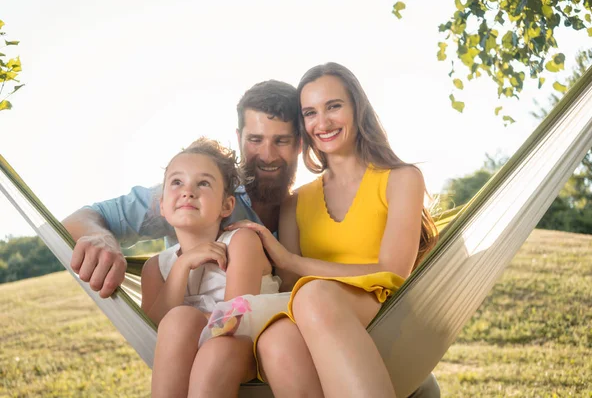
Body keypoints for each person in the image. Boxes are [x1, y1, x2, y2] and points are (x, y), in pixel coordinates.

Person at [62, 79, 441, 397]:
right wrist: (102, 239)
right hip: (233, 347)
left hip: (302, 334)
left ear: (301, 143)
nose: (267, 154)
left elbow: (293, 287)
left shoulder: (300, 205)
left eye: (281, 140)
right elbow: (86, 218)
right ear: (240, 138)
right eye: (256, 139)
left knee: (419, 386)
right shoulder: (197, 192)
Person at [228, 62, 439, 398]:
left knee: (312, 294)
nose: (322, 122)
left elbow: (392, 272)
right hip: (315, 314)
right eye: (310, 113)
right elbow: (288, 287)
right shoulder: (295, 202)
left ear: (357, 107)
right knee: (275, 338)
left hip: (385, 309)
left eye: (334, 106)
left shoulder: (401, 179)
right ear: (303, 128)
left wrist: (294, 263)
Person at [141, 138, 285, 397]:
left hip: (250, 348)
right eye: (177, 182)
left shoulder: (241, 242)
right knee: (178, 319)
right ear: (162, 205)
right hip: (193, 355)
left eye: (203, 183)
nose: (188, 191)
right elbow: (152, 333)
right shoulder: (156, 267)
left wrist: (186, 325)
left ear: (226, 205)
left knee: (203, 339)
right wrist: (182, 265)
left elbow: (233, 321)